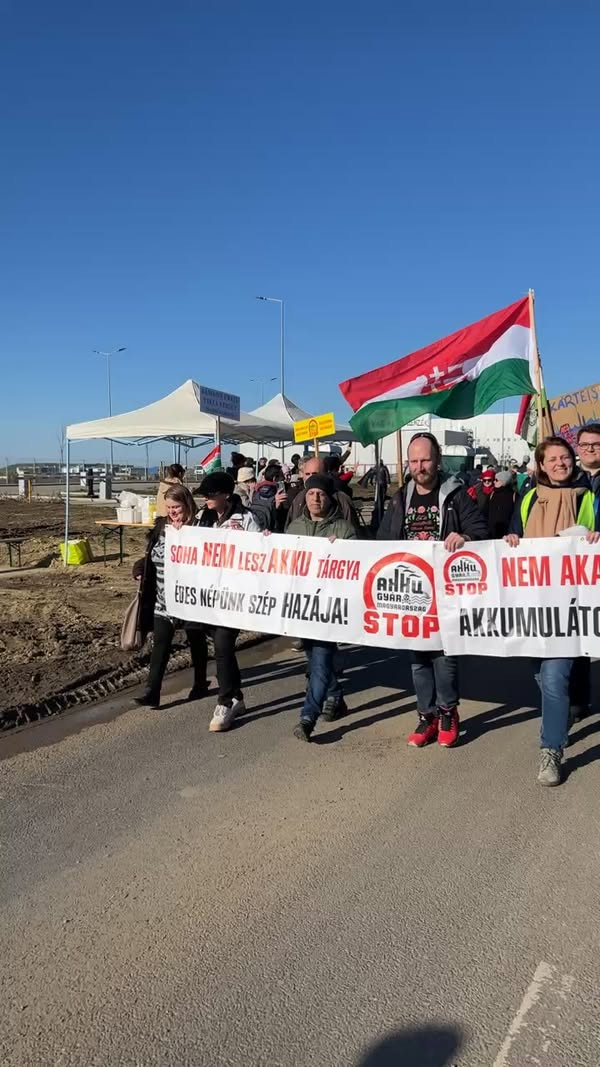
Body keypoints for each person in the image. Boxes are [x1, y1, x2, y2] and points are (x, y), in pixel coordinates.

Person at [377, 432, 488, 749]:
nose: (419, 466)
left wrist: (464, 537)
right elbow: (382, 541)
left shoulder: (456, 496)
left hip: (447, 593)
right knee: (418, 659)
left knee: (444, 656)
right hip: (411, 592)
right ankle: (426, 716)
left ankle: (448, 711)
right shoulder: (401, 498)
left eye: (425, 459)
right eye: (414, 460)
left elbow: (481, 530)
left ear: (437, 460)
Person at [505, 436, 599, 786]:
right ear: (541, 465)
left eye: (566, 457)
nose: (561, 463)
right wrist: (511, 542)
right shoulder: (528, 498)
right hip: (534, 605)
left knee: (554, 678)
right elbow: (514, 535)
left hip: (571, 606)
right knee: (542, 677)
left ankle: (551, 750)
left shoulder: (588, 497)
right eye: (553, 458)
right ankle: (559, 720)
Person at [286, 474, 357, 740]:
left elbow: (354, 566)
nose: (316, 498)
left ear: (330, 497)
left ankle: (307, 717)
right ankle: (336, 696)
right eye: (311, 493)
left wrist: (341, 551)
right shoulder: (294, 528)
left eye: (322, 494)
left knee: (319, 661)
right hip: (303, 607)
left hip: (329, 609)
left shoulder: (344, 530)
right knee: (314, 657)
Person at [194, 471, 261, 731]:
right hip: (208, 594)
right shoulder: (202, 518)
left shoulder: (245, 519)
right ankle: (237, 696)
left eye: (211, 495)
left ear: (225, 495)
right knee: (222, 649)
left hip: (234, 595)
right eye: (204, 495)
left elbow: (257, 553)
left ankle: (224, 702)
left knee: (222, 644)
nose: (206, 499)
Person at [133, 485, 210, 710]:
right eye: (168, 508)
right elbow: (150, 555)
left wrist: (183, 536)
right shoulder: (160, 528)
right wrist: (140, 569)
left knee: (196, 642)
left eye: (176, 507)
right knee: (160, 645)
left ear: (187, 505)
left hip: (191, 600)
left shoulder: (200, 529)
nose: (172, 512)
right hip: (163, 601)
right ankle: (152, 691)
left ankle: (200, 681)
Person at [570, 423, 600, 721]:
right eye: (585, 444)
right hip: (577, 573)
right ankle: (578, 699)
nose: (590, 449)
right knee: (578, 637)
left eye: (597, 444)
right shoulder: (569, 481)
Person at [285, 455, 362, 535]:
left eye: (315, 474)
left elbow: (354, 534)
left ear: (325, 473)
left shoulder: (342, 500)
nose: (311, 478)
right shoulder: (298, 499)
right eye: (307, 474)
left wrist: (340, 538)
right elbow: (290, 532)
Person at [487, 470, 516, 539]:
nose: (494, 482)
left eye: (496, 480)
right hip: (491, 533)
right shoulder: (492, 494)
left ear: (503, 482)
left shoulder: (513, 495)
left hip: (507, 534)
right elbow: (485, 512)